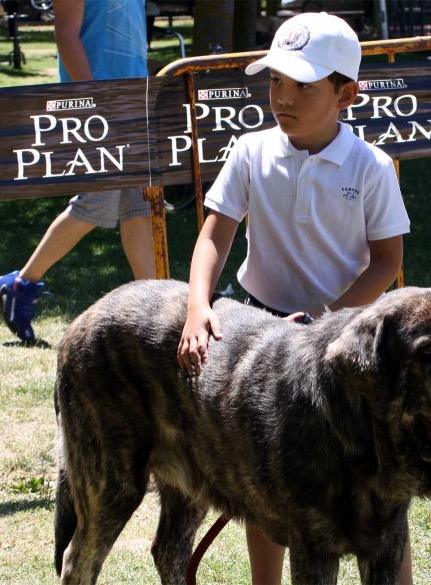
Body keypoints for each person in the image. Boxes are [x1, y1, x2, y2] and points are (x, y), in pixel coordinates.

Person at [177, 12, 413, 585]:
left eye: (302, 85)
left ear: (346, 94)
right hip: (263, 332)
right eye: (276, 80)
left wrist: (330, 322)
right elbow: (216, 232)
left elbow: (388, 259)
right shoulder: (251, 152)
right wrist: (197, 304)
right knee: (272, 473)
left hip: (348, 340)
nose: (283, 96)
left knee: (376, 475)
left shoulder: (371, 166)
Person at [0, 0, 155, 343]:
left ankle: (154, 308)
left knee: (141, 205)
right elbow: (65, 32)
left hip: (131, 98)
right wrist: (91, 98)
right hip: (96, 101)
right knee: (95, 204)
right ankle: (20, 285)